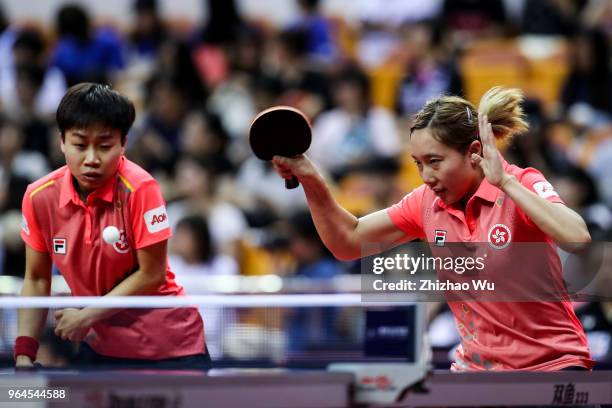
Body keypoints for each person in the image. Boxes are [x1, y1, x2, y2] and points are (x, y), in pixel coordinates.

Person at [272, 86, 594, 371]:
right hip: (479, 374)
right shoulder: (426, 203)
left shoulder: (521, 183)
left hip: (551, 367)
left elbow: (577, 237)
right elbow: (348, 241)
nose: (426, 176)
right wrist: (309, 177)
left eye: (435, 161)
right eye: (418, 163)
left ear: (474, 154)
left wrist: (506, 183)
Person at [15, 83, 210, 369]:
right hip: (102, 348)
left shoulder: (141, 188)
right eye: (80, 145)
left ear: (123, 144)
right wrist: (24, 355)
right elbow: (36, 279)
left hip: (170, 348)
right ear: (62, 142)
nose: (92, 159)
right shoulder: (38, 197)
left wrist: (86, 315)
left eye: (105, 146)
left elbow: (151, 274)